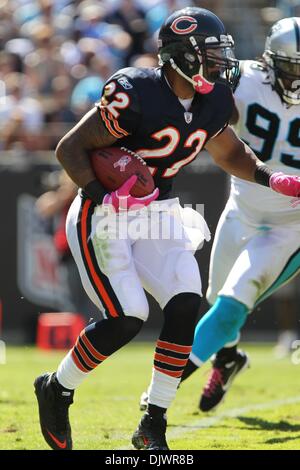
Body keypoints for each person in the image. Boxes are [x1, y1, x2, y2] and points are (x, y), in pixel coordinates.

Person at [34, 8, 300, 451]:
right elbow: (71, 148)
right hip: (103, 213)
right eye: (211, 55)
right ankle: (57, 387)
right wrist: (105, 194)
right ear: (184, 56)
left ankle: (151, 423)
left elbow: (228, 151)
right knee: (126, 318)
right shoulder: (136, 92)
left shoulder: (215, 99)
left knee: (184, 303)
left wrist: (270, 177)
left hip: (160, 208)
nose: (221, 64)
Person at [160, 16, 300, 414]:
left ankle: (159, 395)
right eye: (292, 68)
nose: (298, 79)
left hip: (293, 223)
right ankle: (228, 358)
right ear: (271, 62)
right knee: (215, 294)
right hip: (244, 206)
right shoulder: (246, 79)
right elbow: (208, 111)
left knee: (232, 302)